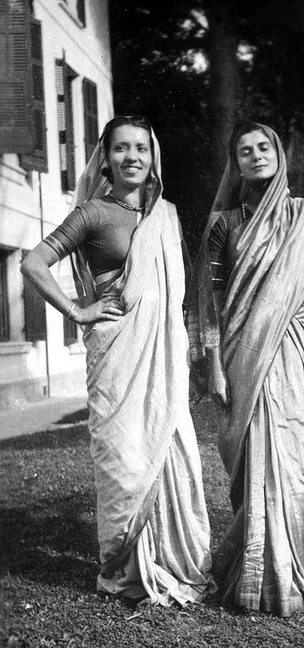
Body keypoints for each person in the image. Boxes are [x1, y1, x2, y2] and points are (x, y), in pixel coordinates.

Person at [21, 115, 214, 606]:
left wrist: (194, 354)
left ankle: (170, 560)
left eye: (141, 149)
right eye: (121, 148)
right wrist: (76, 310)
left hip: (162, 357)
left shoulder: (165, 215)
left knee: (173, 452)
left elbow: (183, 296)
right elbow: (33, 263)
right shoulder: (92, 213)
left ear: (153, 159)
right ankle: (127, 567)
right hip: (115, 352)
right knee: (124, 460)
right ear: (105, 158)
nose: (132, 157)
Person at [188, 121, 304, 617]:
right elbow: (212, 301)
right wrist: (215, 367)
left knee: (289, 466)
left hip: (293, 353)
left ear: (278, 154)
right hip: (242, 356)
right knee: (251, 466)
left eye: (264, 147)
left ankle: (283, 575)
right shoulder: (225, 223)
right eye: (245, 151)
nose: (256, 155)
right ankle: (249, 572)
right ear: (236, 164)